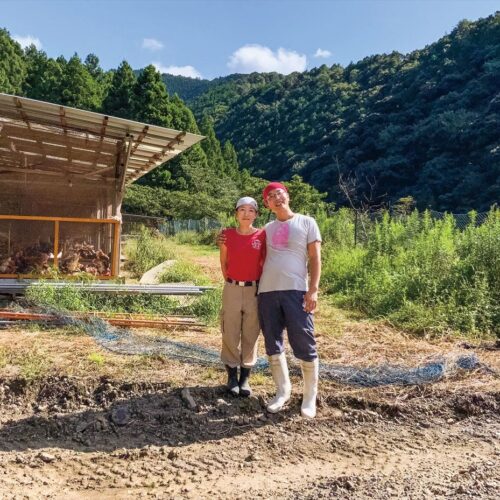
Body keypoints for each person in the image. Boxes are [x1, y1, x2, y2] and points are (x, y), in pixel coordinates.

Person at [258, 182, 322, 418]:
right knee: (272, 342)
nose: (276, 198)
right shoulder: (267, 227)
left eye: (279, 194)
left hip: (296, 290)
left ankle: (309, 397)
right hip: (267, 291)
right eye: (270, 197)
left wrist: (313, 289)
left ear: (287, 196)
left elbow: (315, 258)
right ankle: (282, 391)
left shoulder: (307, 222)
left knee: (303, 339)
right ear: (267, 204)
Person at [219, 196, 266, 397]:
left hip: (254, 289)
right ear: (236, 213)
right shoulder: (226, 235)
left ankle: (245, 377)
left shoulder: (263, 236)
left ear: (256, 214)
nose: (246, 214)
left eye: (251, 210)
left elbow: (265, 263)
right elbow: (224, 263)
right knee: (229, 329)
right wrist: (232, 282)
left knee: (251, 331)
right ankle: (231, 376)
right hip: (232, 287)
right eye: (242, 210)